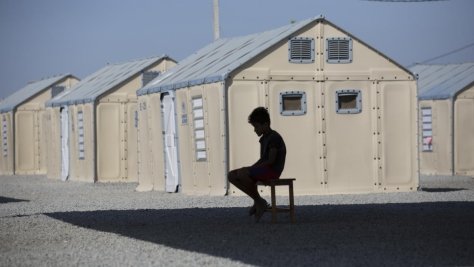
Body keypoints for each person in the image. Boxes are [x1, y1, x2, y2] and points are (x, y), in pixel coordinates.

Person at [228, 107, 286, 222]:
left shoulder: (274, 137)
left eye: (256, 126)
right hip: (265, 169)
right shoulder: (264, 138)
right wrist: (251, 168)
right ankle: (258, 200)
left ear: (266, 124)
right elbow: (262, 160)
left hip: (272, 171)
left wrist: (250, 169)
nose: (255, 130)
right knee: (231, 175)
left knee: (243, 173)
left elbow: (271, 161)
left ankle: (259, 202)